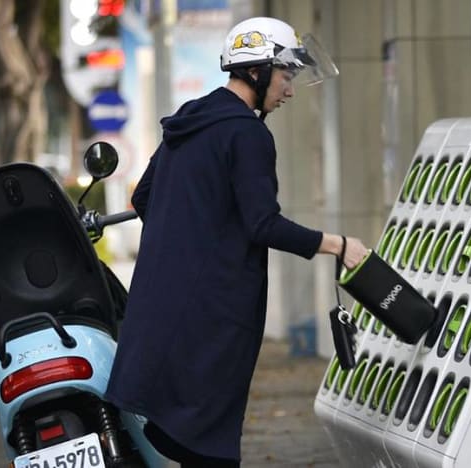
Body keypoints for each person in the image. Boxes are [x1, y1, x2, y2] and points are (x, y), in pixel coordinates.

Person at [105, 17, 368, 467]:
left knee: (191, 441)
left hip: (163, 307)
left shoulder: (189, 120)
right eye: (286, 77)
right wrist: (339, 244)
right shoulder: (248, 134)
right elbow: (263, 225)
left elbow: (145, 197)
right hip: (215, 315)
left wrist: (193, 241)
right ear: (255, 72)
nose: (289, 90)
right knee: (210, 448)